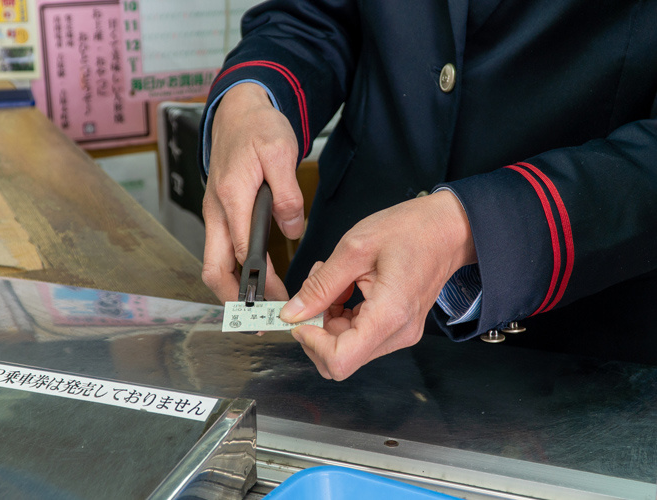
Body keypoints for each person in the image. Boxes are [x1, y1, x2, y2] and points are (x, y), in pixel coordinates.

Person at [199, 0, 657, 380]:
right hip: (335, 311)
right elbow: (317, 15)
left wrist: (472, 227)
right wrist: (250, 95)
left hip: (571, 360)